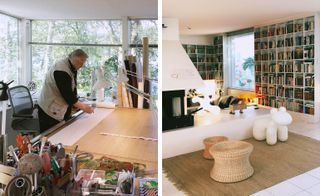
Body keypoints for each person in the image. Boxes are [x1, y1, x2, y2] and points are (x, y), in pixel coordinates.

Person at [38, 49, 94, 132]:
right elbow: (68, 95)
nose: (82, 66)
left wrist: (77, 103)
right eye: (82, 63)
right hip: (49, 110)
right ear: (77, 60)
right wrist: (83, 107)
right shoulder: (61, 70)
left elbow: (72, 87)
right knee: (51, 137)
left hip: (59, 107)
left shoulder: (71, 66)